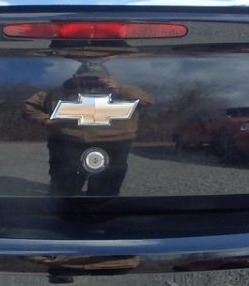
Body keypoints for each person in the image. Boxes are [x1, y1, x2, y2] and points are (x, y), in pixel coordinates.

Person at [24, 61, 154, 197]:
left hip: (114, 141)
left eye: (97, 78)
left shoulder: (122, 92)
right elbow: (30, 106)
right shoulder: (59, 92)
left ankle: (100, 207)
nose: (91, 82)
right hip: (67, 141)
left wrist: (118, 88)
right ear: (75, 78)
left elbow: (148, 100)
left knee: (106, 188)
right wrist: (45, 119)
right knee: (64, 187)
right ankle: (65, 206)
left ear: (108, 78)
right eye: (85, 78)